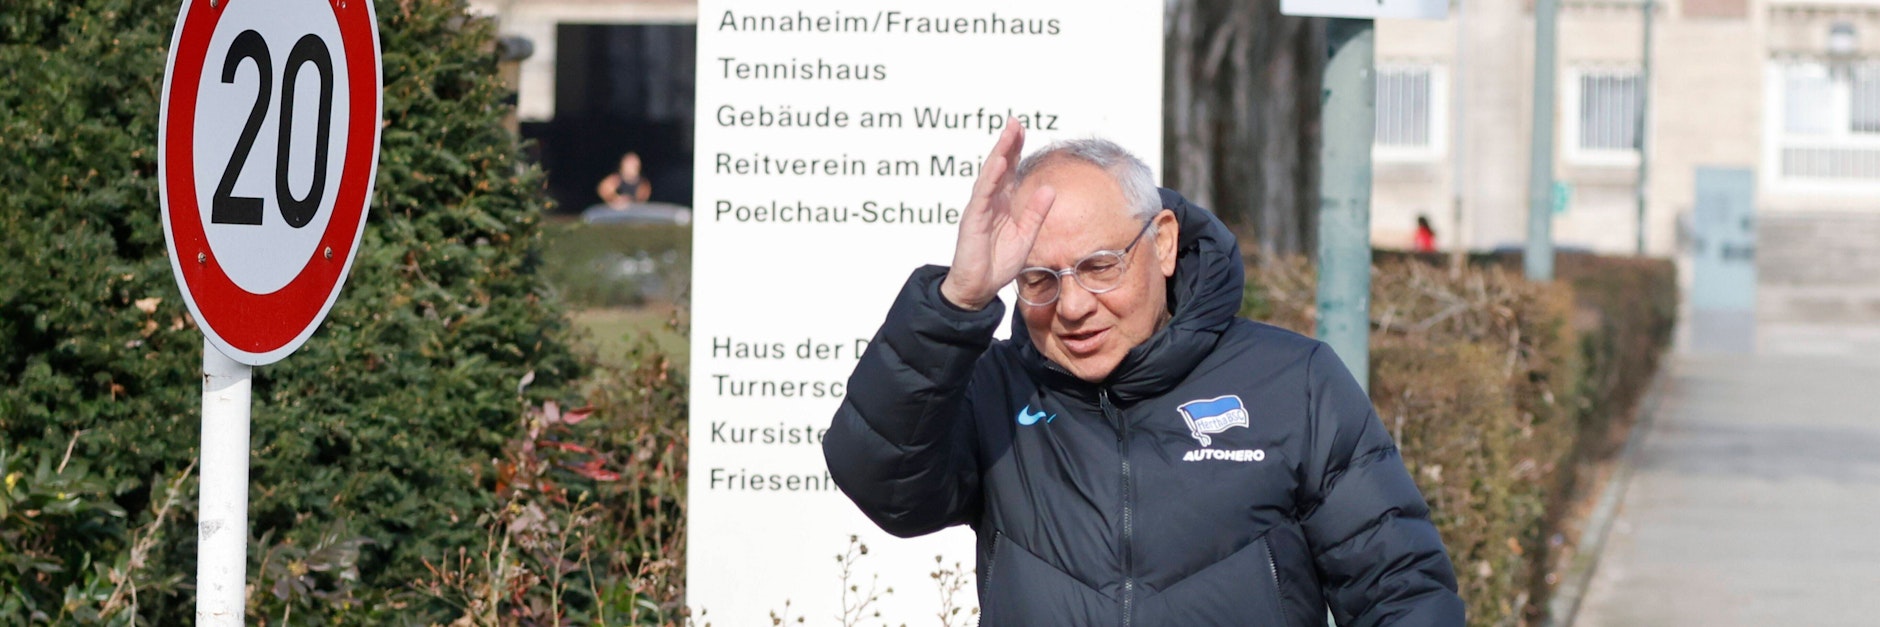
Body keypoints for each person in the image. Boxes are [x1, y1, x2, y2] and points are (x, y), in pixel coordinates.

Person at [823, 120, 1464, 626]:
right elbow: (884, 485)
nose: (1072, 307)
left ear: (1161, 243)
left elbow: (1399, 592)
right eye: (1040, 280)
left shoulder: (1294, 382)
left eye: (1100, 267)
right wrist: (956, 301)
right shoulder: (995, 389)